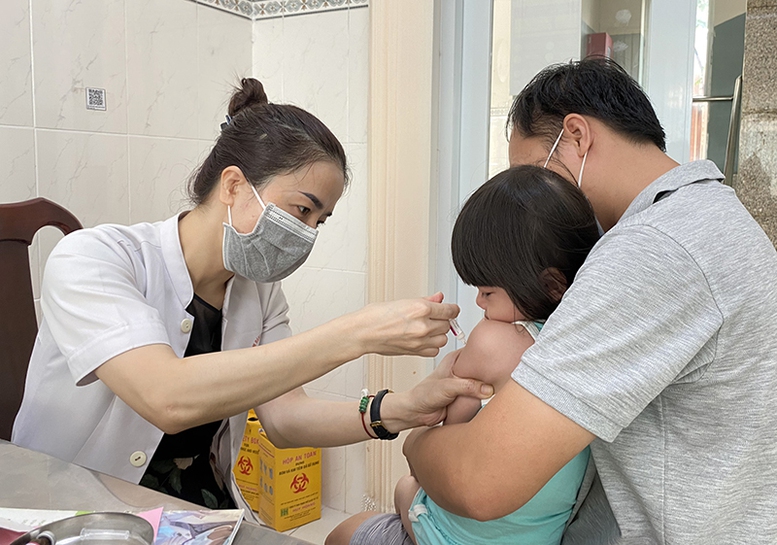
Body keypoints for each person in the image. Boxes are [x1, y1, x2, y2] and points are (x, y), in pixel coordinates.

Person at [11, 78, 493, 515]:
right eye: (301, 210)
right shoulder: (95, 258)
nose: (307, 234)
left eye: (319, 222)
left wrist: (405, 408)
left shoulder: (258, 291)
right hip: (74, 510)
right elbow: (166, 397)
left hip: (197, 510)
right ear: (234, 185)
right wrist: (359, 332)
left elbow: (286, 418)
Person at [357, 57, 777, 544]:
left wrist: (417, 443)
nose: (529, 206)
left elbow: (481, 481)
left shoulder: (655, 248)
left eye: (532, 177)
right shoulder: (712, 215)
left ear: (576, 136)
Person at [328, 165, 600, 545]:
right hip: (537, 538)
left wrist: (443, 384)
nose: (478, 303)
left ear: (551, 285)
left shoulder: (493, 341)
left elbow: (445, 431)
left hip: (456, 536)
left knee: (396, 494)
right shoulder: (589, 346)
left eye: (487, 292)